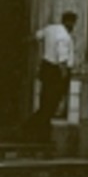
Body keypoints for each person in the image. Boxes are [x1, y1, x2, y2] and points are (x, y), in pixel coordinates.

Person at [25, 11, 77, 142]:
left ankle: (41, 134)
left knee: (45, 101)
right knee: (51, 105)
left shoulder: (50, 29)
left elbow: (36, 36)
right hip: (56, 73)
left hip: (46, 69)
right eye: (73, 24)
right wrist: (64, 77)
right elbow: (62, 59)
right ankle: (28, 128)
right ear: (70, 23)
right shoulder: (64, 37)